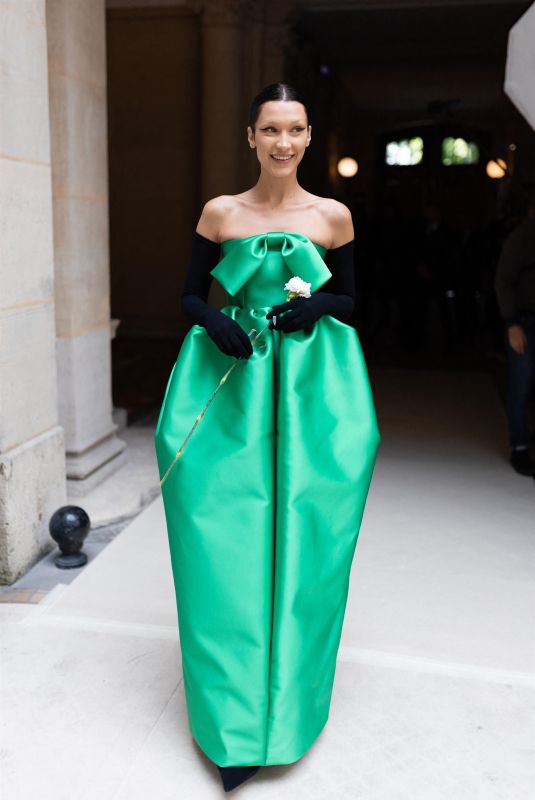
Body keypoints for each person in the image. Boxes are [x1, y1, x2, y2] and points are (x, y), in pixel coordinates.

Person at [154, 83, 380, 793]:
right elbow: (191, 293)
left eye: (295, 130)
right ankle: (228, 725)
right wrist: (213, 320)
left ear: (308, 137)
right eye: (270, 130)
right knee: (223, 547)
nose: (283, 142)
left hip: (311, 387)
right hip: (232, 381)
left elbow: (348, 297)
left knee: (306, 544)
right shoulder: (221, 212)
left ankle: (287, 714)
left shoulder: (332, 214)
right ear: (249, 137)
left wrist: (312, 309)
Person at [494, 193, 535, 476]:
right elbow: (503, 280)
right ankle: (519, 445)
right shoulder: (522, 237)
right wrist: (512, 323)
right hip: (524, 320)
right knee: (521, 383)